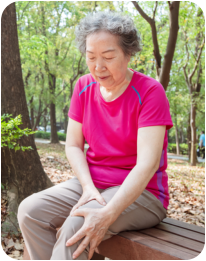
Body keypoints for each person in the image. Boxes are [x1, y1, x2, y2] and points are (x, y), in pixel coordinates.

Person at [18, 11, 173, 260]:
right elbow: (73, 145)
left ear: (128, 53)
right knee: (29, 210)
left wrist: (108, 212)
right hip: (93, 183)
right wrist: (88, 188)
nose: (98, 67)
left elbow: (147, 164)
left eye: (108, 57)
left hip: (143, 193)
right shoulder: (83, 86)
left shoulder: (150, 92)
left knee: (76, 227)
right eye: (91, 57)